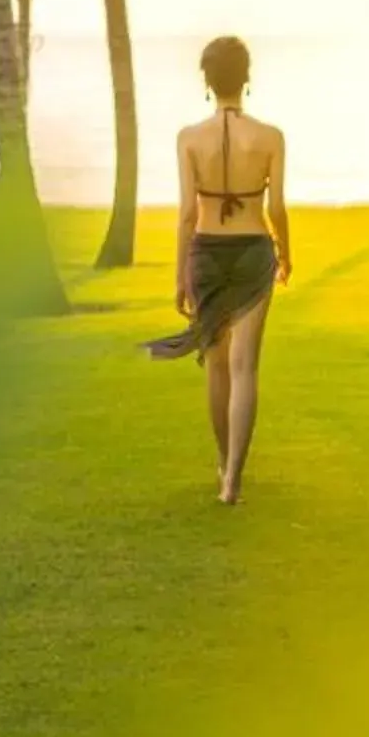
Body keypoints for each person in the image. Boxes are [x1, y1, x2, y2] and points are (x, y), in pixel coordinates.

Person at [146, 35, 290, 504]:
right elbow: (280, 206)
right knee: (246, 366)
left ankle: (223, 463)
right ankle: (233, 480)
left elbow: (187, 212)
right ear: (246, 78)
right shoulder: (270, 137)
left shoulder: (189, 138)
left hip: (206, 252)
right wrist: (285, 253)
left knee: (218, 367)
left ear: (206, 81)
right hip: (253, 250)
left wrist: (179, 275)